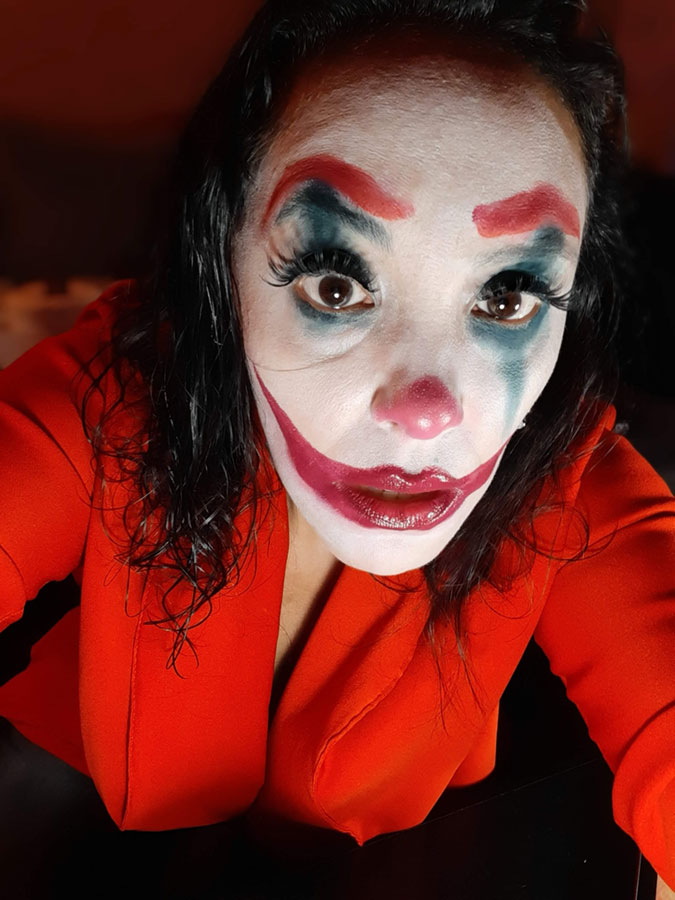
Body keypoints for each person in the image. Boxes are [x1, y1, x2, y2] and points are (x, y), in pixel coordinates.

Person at [0, 0, 673, 890]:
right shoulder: (105, 399)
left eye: (507, 296)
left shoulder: (567, 473)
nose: (425, 413)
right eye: (334, 283)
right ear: (223, 256)